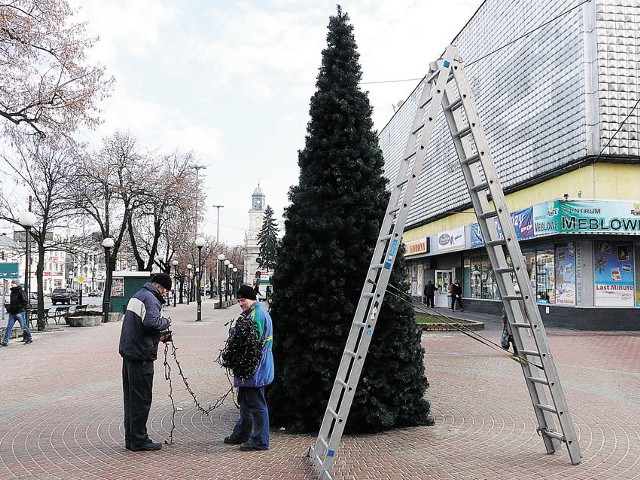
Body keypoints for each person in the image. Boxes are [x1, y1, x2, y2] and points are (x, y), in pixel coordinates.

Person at [119, 273, 172, 452]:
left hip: (129, 355)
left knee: (131, 400)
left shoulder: (138, 295)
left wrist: (158, 336)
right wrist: (166, 322)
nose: (165, 294)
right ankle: (140, 440)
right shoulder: (150, 299)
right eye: (165, 290)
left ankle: (132, 439)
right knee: (142, 400)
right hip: (141, 357)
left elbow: (141, 326)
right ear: (159, 286)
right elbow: (151, 323)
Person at [224, 284, 274, 451]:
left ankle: (260, 440)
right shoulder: (252, 314)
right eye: (238, 300)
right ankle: (242, 434)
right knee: (245, 401)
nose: (240, 303)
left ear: (251, 298)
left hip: (255, 367)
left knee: (257, 403)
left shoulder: (256, 316)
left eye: (243, 300)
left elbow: (250, 343)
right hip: (252, 368)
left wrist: (235, 335)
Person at [1, 280, 33, 346]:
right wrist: (9, 307)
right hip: (12, 313)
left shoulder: (21, 292)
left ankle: (29, 338)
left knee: (23, 326)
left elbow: (25, 302)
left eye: (13, 283)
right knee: (9, 327)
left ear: (17, 284)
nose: (12, 284)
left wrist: (18, 307)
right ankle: (5, 341)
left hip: (19, 312)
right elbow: (13, 302)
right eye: (12, 283)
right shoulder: (12, 292)